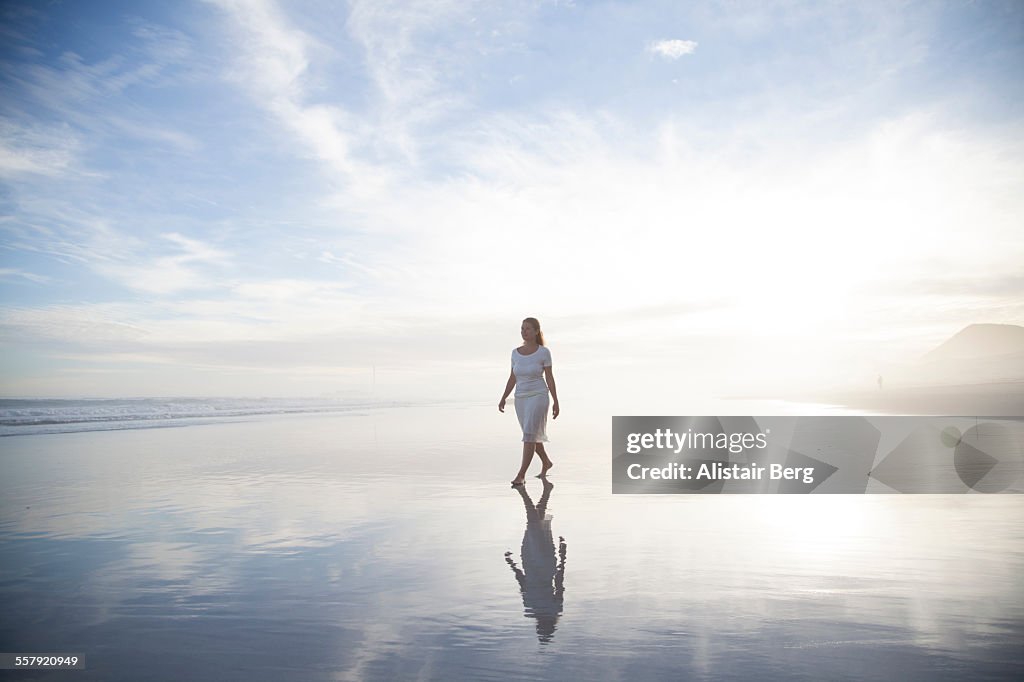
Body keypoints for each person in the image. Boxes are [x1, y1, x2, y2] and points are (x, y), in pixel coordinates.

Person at [498, 317, 560, 487]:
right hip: (521, 399)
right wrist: (504, 397)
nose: (524, 331)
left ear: (535, 331)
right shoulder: (515, 353)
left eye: (527, 329)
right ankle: (546, 461)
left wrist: (556, 400)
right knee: (531, 435)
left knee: (528, 435)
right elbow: (513, 377)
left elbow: (549, 377)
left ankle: (521, 475)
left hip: (539, 395)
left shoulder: (543, 352)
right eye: (522, 328)